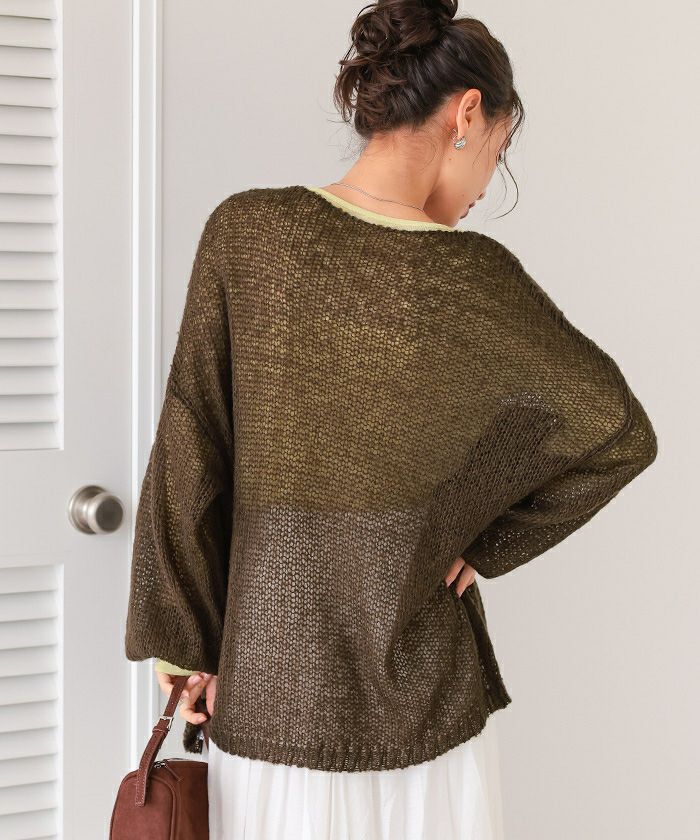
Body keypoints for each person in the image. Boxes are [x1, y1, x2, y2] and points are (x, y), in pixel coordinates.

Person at [125, 2, 658, 838]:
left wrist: (184, 645)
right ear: (467, 114)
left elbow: (192, 444)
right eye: (498, 152)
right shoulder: (477, 277)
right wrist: (486, 541)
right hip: (428, 717)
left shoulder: (249, 232)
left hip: (271, 695)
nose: (484, 188)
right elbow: (617, 430)